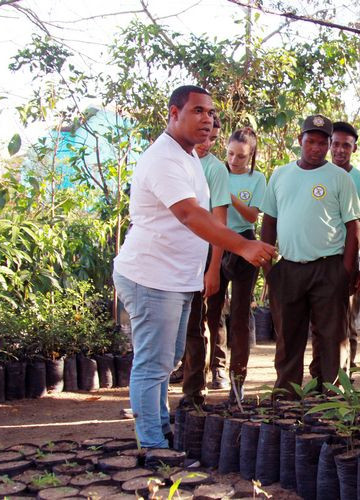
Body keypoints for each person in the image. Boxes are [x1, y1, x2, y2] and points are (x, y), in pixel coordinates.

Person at [113, 85, 275, 448]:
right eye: (198, 111)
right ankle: (153, 444)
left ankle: (160, 430)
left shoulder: (189, 158)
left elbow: (204, 213)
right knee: (154, 362)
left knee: (168, 357)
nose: (208, 119)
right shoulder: (164, 159)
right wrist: (244, 245)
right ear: (174, 113)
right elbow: (188, 214)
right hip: (152, 276)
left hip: (176, 277)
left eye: (211, 112)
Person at [261, 115, 360, 392]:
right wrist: (269, 268)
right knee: (288, 337)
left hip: (328, 267)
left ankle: (332, 396)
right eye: (310, 141)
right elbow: (269, 221)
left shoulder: (340, 178)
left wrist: (346, 270)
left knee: (331, 337)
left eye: (322, 143)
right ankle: (285, 394)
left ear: (329, 144)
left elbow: (354, 227)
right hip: (289, 268)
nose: (316, 148)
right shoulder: (281, 175)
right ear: (300, 141)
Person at [179, 117, 231, 406]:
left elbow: (219, 224)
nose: (205, 142)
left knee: (198, 323)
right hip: (174, 256)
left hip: (203, 254)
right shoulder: (177, 160)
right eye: (203, 135)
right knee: (181, 327)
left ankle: (194, 393)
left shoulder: (214, 170)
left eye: (211, 138)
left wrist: (213, 268)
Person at [217, 127, 267, 398]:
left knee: (239, 314)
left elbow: (251, 217)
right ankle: (214, 369)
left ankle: (238, 379)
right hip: (216, 241)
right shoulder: (215, 171)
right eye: (230, 154)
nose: (234, 160)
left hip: (245, 244)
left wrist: (231, 196)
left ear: (251, 156)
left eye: (241, 157)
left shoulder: (257, 179)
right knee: (212, 311)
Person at [329, 121, 360, 367]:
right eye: (336, 144)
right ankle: (321, 375)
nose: (340, 150)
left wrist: (357, 265)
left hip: (350, 258)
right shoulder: (321, 173)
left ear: (354, 148)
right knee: (323, 321)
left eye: (346, 146)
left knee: (348, 321)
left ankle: (345, 375)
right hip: (323, 260)